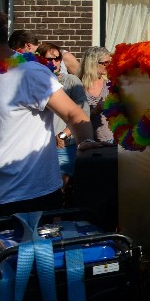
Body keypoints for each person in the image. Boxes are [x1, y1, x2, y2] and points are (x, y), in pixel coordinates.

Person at [0, 4, 95, 223]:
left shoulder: (31, 73)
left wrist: (87, 147)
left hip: (31, 198)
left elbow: (75, 113)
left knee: (30, 257)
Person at [38, 41, 88, 190]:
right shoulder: (37, 81)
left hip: (63, 146)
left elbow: (83, 111)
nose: (54, 62)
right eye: (49, 59)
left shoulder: (71, 81)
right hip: (41, 146)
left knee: (61, 187)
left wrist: (63, 135)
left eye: (57, 58)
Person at [80, 46, 115, 144]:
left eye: (110, 62)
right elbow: (74, 117)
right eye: (105, 63)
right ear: (92, 64)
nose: (109, 65)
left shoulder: (110, 83)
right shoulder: (78, 86)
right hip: (86, 141)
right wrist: (96, 111)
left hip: (110, 139)